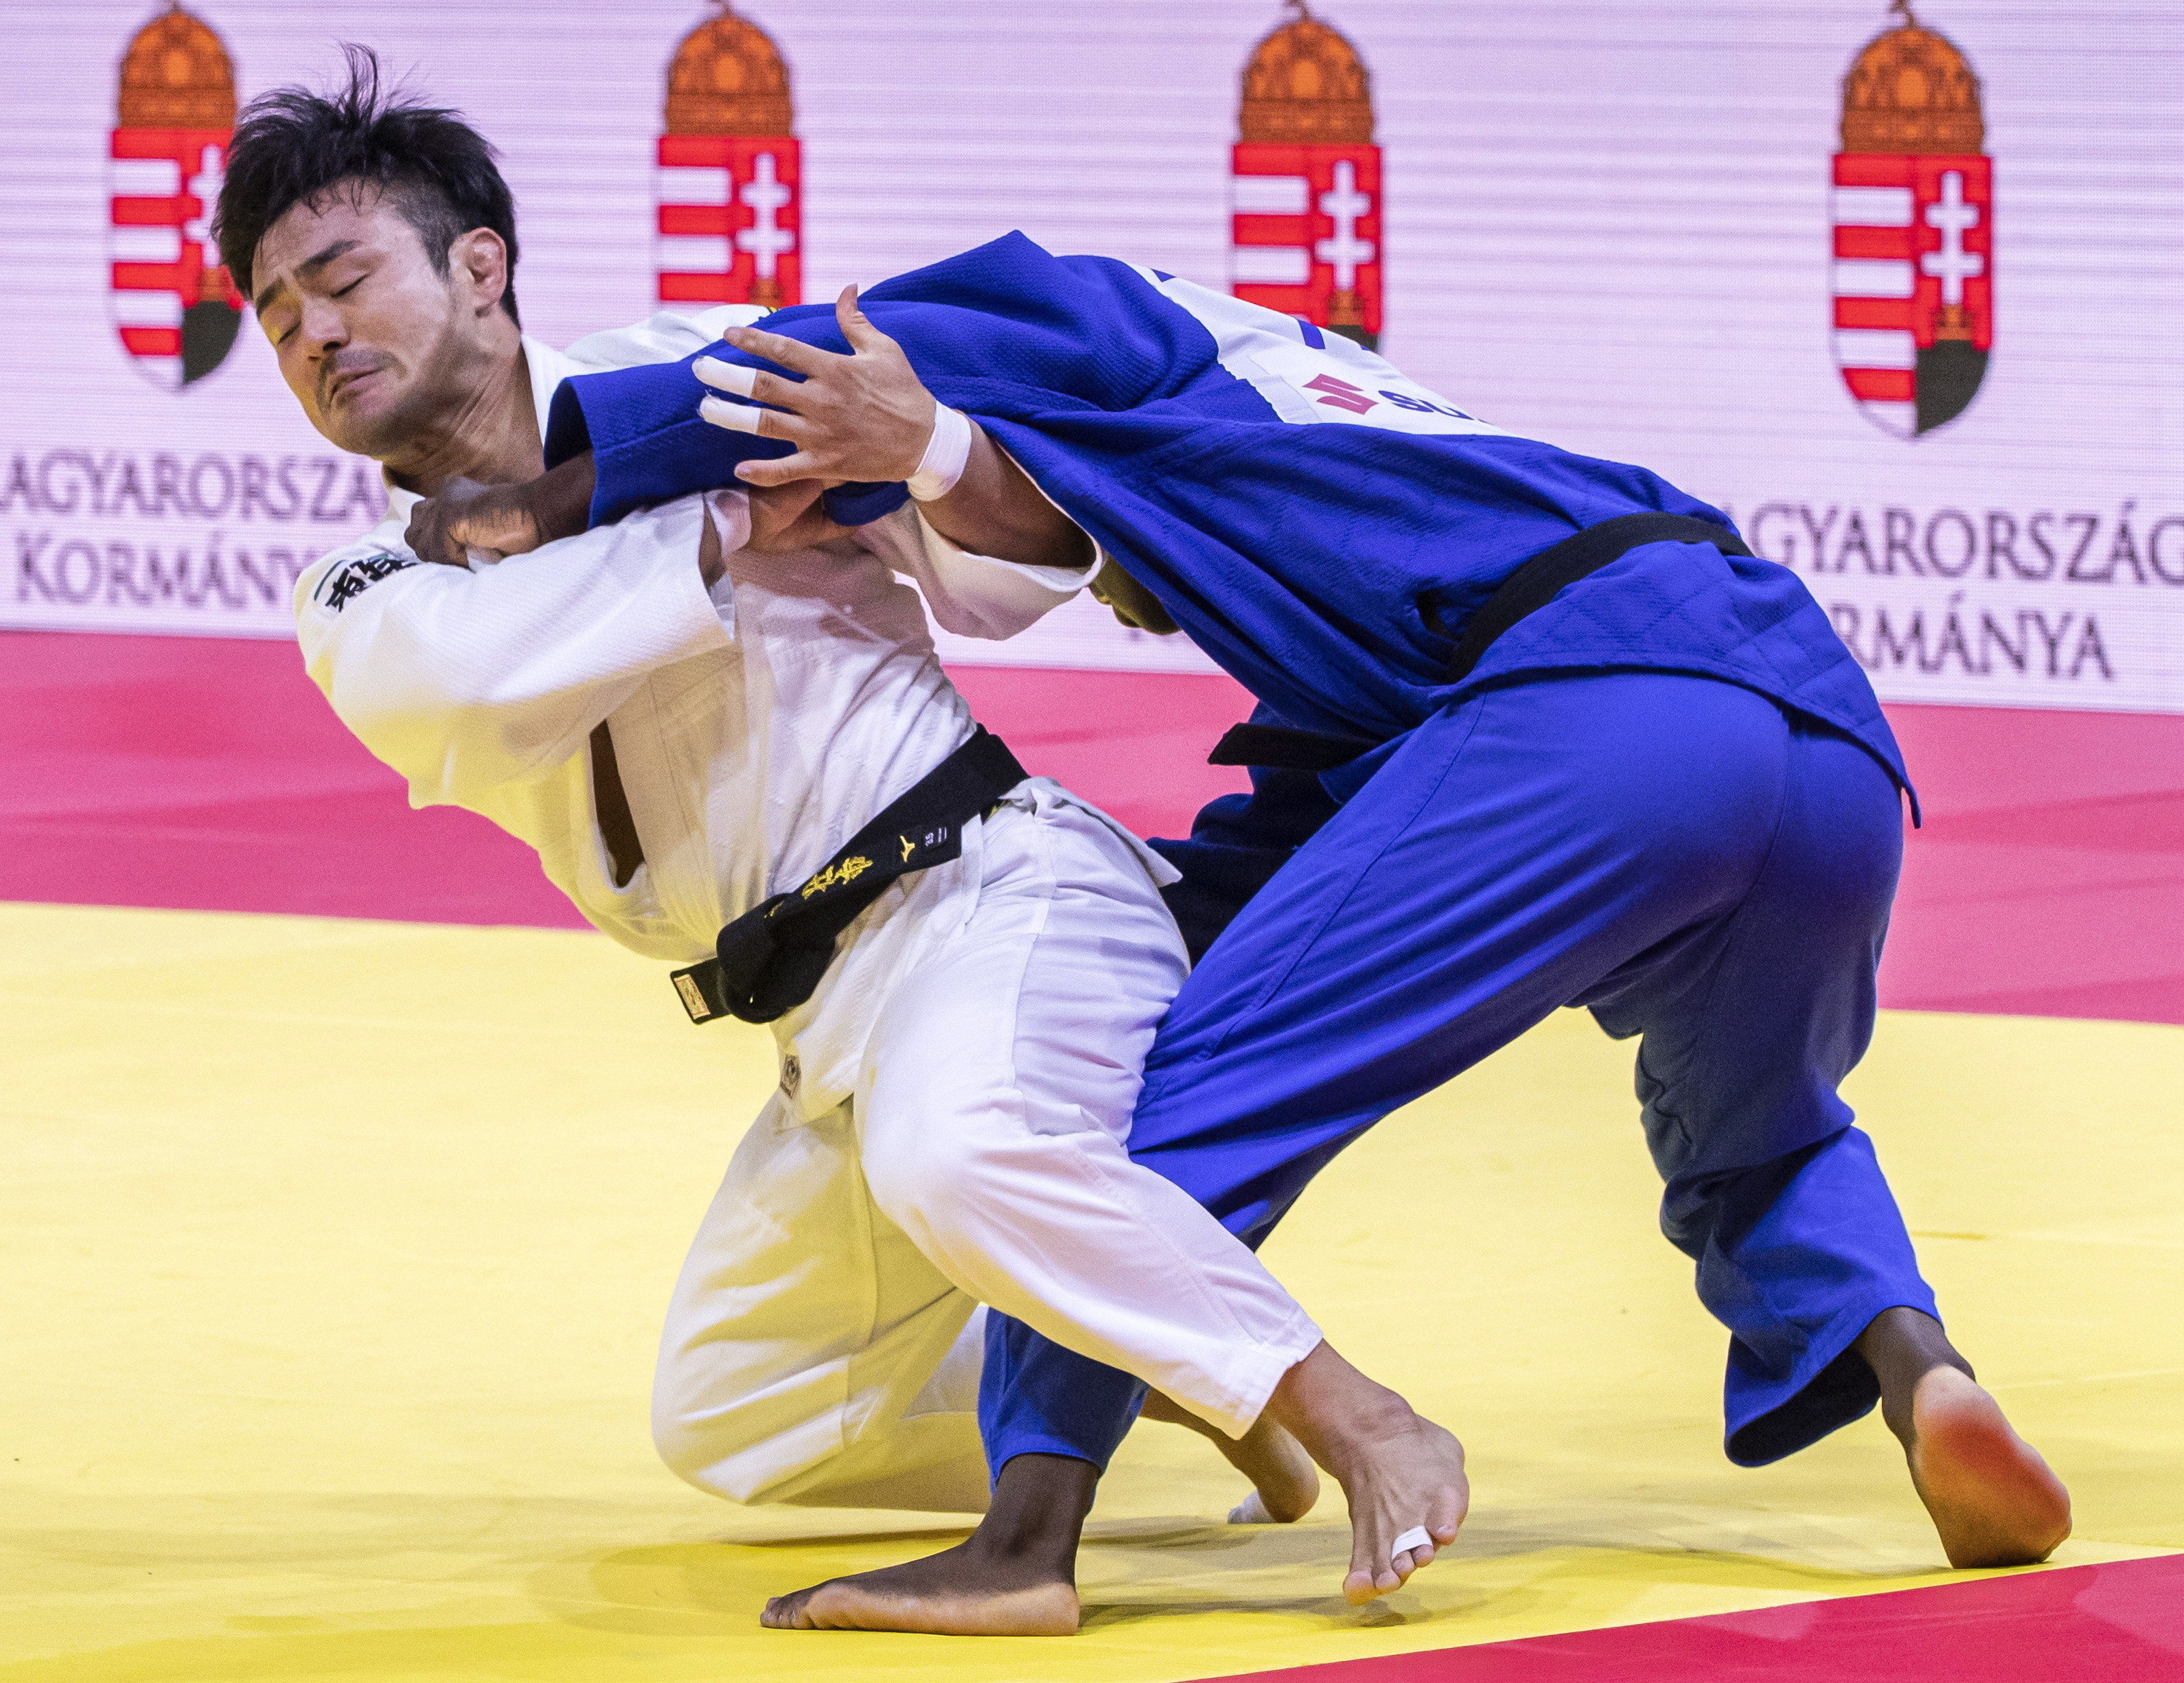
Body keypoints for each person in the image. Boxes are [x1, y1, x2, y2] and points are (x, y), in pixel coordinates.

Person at [436, 231, 2073, 1633]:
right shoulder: (1372, 433)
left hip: (1605, 720)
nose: (1134, 604)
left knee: (1161, 1110)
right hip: (1821, 734)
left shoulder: (1137, 335)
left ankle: (1026, 1535)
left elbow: (909, 348)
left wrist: (555, 475)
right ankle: (1921, 1373)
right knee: (1761, 1128)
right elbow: (1265, 853)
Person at [212, 55, 1469, 1638]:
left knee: (960, 1153)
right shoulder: (362, 586)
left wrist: (912, 458)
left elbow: (1003, 578)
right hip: (819, 1025)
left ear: (480, 264)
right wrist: (721, 528)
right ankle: (1170, 1368)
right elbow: (467, 682)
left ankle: (1363, 1416)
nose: (315, 335)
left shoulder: (708, 383)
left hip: (987, 895)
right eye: (276, 316)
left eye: (340, 279)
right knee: (735, 1409)